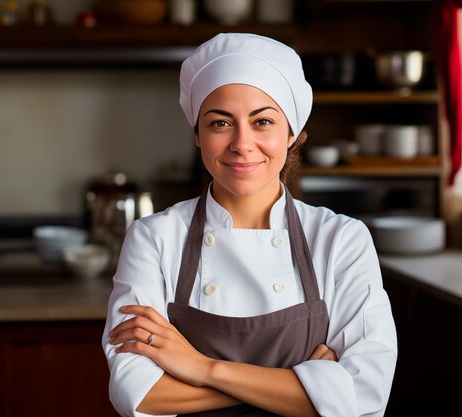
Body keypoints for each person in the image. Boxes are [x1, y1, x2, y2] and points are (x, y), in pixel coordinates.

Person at [102, 33, 397, 417]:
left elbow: (364, 393)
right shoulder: (153, 239)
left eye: (262, 121)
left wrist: (201, 367)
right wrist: (305, 382)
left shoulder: (342, 239)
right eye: (221, 123)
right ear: (197, 135)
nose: (242, 143)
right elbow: (137, 395)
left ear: (291, 134)